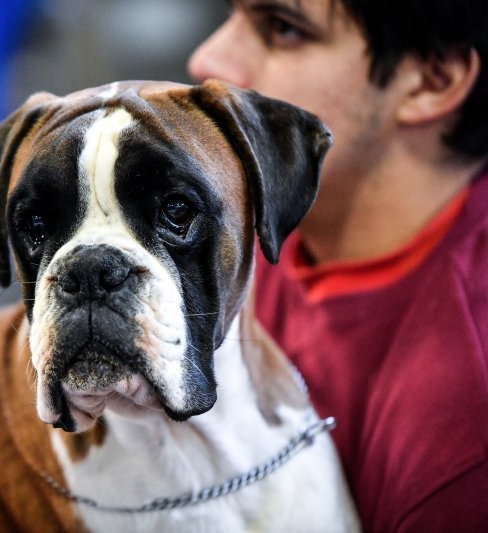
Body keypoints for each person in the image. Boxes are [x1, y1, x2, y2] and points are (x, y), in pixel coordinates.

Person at [188, 0, 487, 531]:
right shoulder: (255, 216)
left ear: (431, 81)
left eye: (283, 29)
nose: (207, 60)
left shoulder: (461, 432)